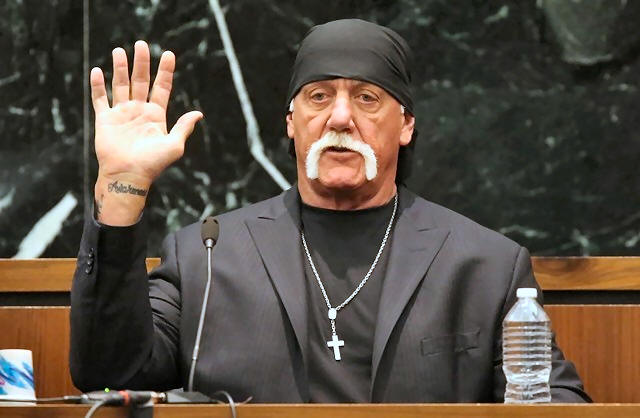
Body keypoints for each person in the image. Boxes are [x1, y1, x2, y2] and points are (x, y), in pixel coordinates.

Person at [70, 19, 590, 403]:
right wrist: (122, 186)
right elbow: (109, 373)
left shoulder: (484, 266)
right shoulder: (205, 256)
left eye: (367, 98)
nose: (340, 117)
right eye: (319, 96)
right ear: (291, 122)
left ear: (406, 125)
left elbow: (557, 404)